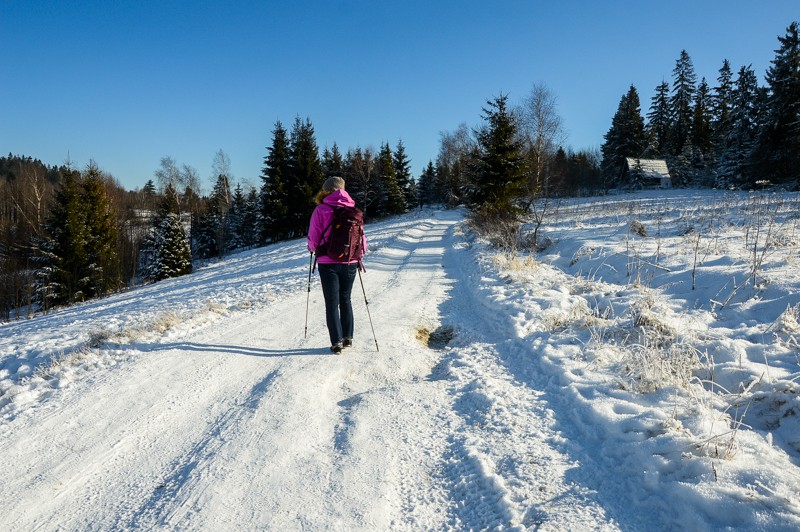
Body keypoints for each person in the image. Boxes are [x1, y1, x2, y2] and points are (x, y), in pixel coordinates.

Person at [307, 176, 367, 353]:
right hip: (351, 261)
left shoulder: (321, 209)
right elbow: (362, 238)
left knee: (332, 303)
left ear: (326, 191)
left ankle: (336, 342)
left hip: (328, 262)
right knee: (346, 299)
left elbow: (313, 237)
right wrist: (359, 256)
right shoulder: (354, 210)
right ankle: (348, 337)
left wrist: (312, 249)